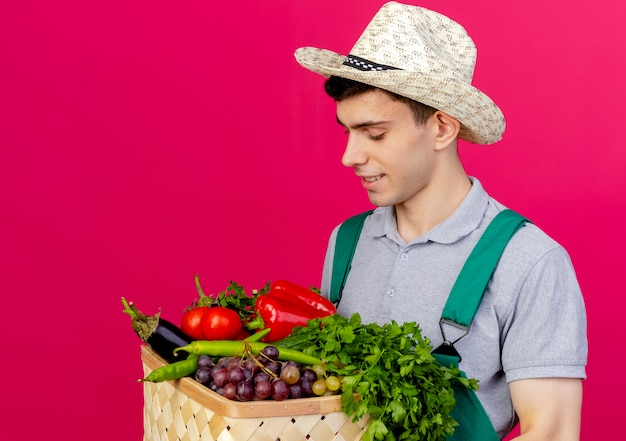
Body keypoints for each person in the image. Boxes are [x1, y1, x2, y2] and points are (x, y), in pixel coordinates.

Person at [294, 2, 587, 440]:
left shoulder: (529, 261)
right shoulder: (347, 241)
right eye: (346, 132)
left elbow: (553, 432)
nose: (350, 156)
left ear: (442, 128)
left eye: (375, 134)